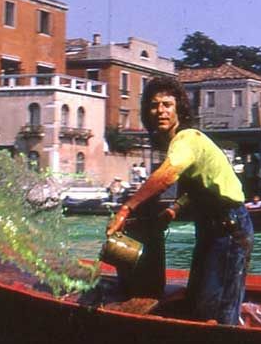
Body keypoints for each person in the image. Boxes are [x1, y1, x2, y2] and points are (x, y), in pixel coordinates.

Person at [106, 76, 253, 324]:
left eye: (167, 105)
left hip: (228, 228)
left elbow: (168, 174)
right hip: (211, 229)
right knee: (199, 299)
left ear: (179, 110)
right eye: (154, 105)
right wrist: (174, 210)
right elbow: (193, 190)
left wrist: (126, 208)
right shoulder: (181, 143)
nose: (160, 111)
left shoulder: (187, 139)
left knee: (216, 309)